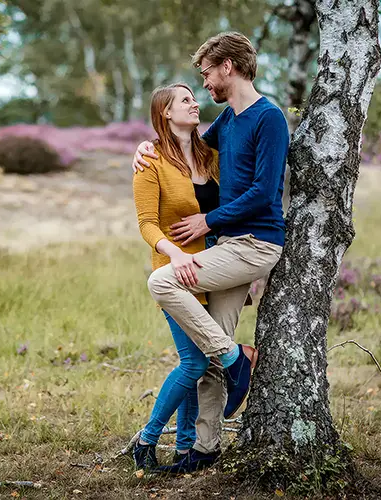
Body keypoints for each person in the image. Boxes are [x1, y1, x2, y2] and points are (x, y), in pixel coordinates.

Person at [130, 31, 289, 474]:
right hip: (227, 247)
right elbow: (185, 147)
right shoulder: (227, 121)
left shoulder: (268, 117)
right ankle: (204, 449)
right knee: (207, 358)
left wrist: (207, 221)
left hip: (255, 243)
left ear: (228, 67)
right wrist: (146, 147)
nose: (205, 85)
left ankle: (238, 359)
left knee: (162, 281)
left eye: (207, 73)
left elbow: (264, 192)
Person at [131, 82, 221, 470]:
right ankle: (147, 439)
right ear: (165, 112)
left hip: (215, 270)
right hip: (174, 274)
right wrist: (174, 254)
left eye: (194, 97)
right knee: (194, 363)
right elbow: (147, 224)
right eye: (185, 99)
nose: (194, 103)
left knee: (198, 359)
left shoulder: (210, 154)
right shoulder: (150, 160)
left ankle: (185, 448)